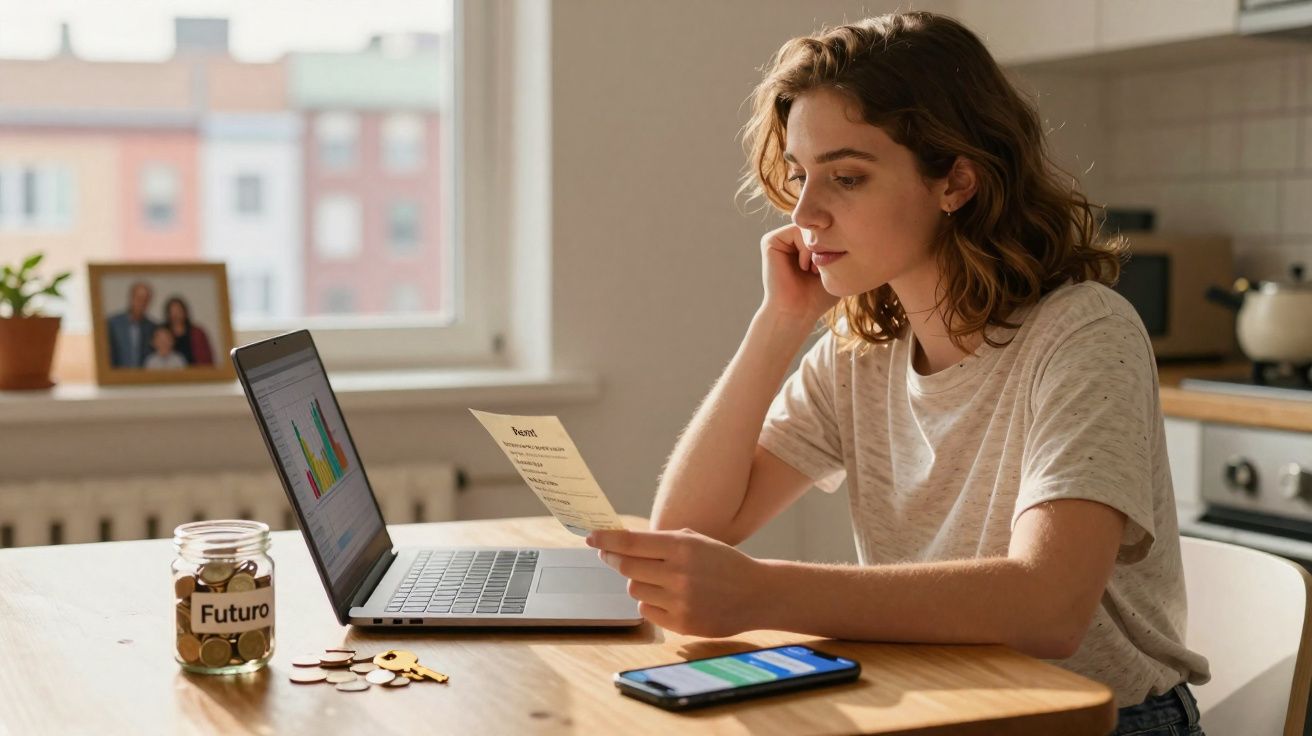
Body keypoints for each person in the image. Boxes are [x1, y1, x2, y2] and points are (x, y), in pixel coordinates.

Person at [584, 12, 1209, 736]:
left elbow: (1049, 609)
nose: (806, 212)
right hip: (937, 702)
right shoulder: (861, 353)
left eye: (846, 177)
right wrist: (778, 322)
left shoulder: (1083, 333)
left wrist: (764, 593)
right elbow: (688, 534)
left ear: (956, 181)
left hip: (1100, 721)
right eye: (800, 176)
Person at [106, 281, 156, 368]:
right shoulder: (113, 324)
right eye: (139, 299)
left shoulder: (152, 327)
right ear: (131, 298)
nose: (142, 303)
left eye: (146, 300)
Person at [162, 295, 214, 366]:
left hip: (196, 371)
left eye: (178, 311)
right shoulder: (162, 333)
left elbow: (207, 360)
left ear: (185, 312)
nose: (175, 315)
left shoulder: (197, 333)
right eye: (172, 311)